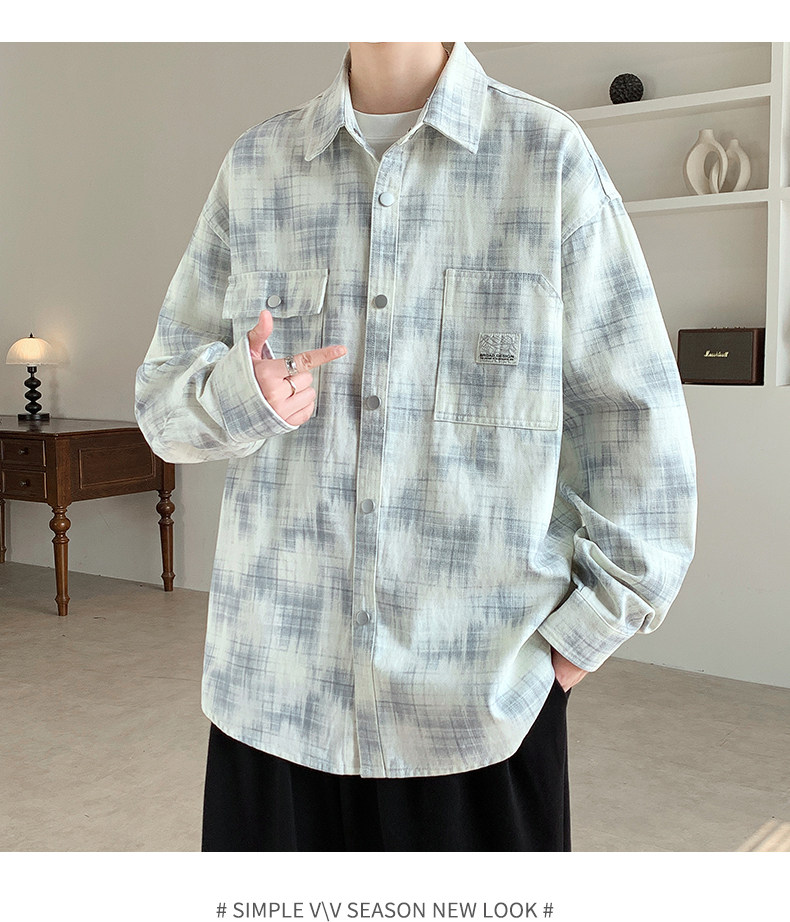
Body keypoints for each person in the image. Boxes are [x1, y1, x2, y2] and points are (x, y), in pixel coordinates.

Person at [134, 42, 697, 851]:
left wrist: (570, 653)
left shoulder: (547, 157)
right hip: (273, 700)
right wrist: (240, 396)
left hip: (479, 710)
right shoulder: (256, 168)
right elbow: (160, 404)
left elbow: (636, 431)